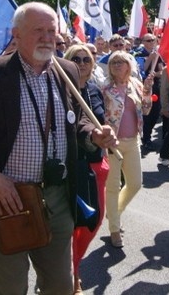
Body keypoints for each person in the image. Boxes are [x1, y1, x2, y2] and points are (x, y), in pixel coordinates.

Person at [0, 2, 115, 295]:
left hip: (58, 198)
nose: (47, 37)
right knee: (11, 289)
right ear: (16, 34)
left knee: (61, 287)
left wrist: (94, 136)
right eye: (38, 30)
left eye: (52, 30)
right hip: (9, 199)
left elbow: (74, 127)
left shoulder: (67, 71)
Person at [64, 44, 109, 295]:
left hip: (96, 162)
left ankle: (72, 265)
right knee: (73, 222)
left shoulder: (94, 90)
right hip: (73, 164)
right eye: (76, 59)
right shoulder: (61, 91)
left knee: (94, 220)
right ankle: (72, 274)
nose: (81, 63)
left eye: (86, 59)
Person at [102, 50, 153, 246]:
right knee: (113, 186)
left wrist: (147, 91)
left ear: (128, 66)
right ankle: (115, 229)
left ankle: (114, 212)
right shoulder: (105, 89)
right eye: (113, 62)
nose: (116, 65)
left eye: (120, 62)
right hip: (112, 143)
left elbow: (146, 111)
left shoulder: (136, 85)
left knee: (135, 183)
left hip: (132, 141)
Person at [135, 33, 164, 152]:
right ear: (143, 42)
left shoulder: (157, 55)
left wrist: (155, 74)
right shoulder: (138, 54)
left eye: (153, 40)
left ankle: (148, 133)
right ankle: (146, 138)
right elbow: (140, 70)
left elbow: (161, 71)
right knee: (147, 113)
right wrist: (150, 59)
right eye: (148, 40)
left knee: (156, 113)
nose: (151, 42)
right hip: (144, 87)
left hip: (155, 87)